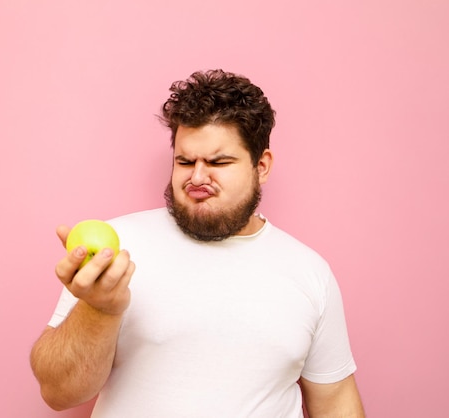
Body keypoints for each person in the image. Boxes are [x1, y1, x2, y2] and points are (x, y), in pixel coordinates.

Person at [30, 69, 364, 417]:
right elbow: (59, 393)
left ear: (261, 166)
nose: (197, 178)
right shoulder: (116, 254)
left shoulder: (309, 272)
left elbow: (336, 399)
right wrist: (99, 310)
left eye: (218, 162)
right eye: (185, 161)